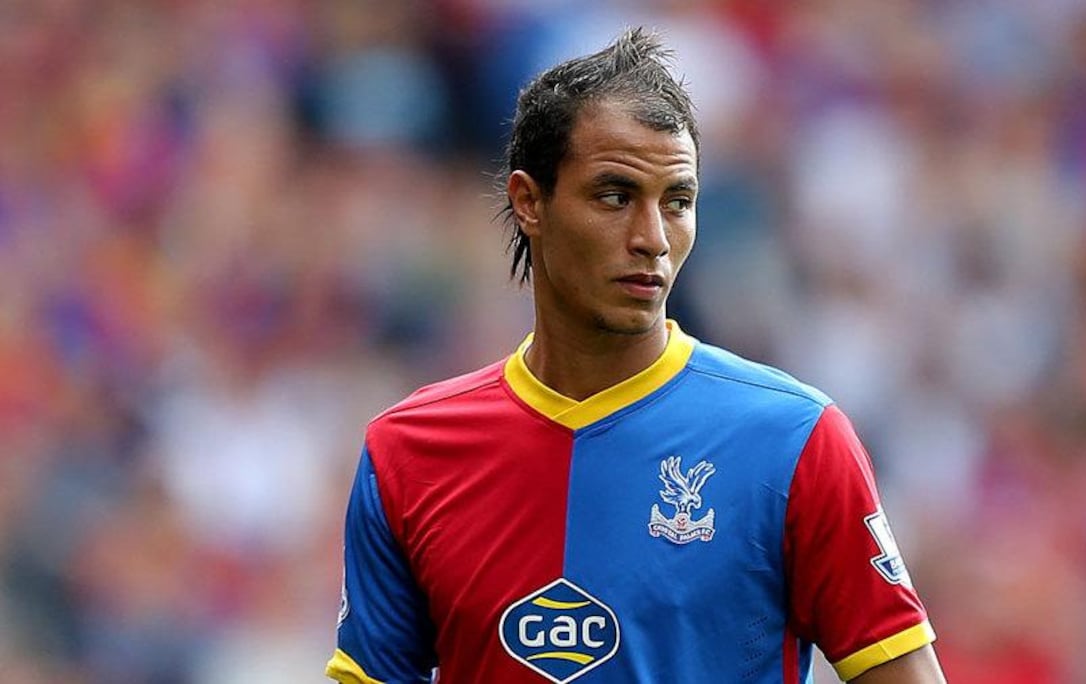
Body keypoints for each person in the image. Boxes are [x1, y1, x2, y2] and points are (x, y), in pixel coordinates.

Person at [325, 27, 947, 684]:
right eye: (616, 196)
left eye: (677, 202)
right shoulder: (408, 452)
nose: (653, 238)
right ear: (529, 201)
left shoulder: (794, 440)